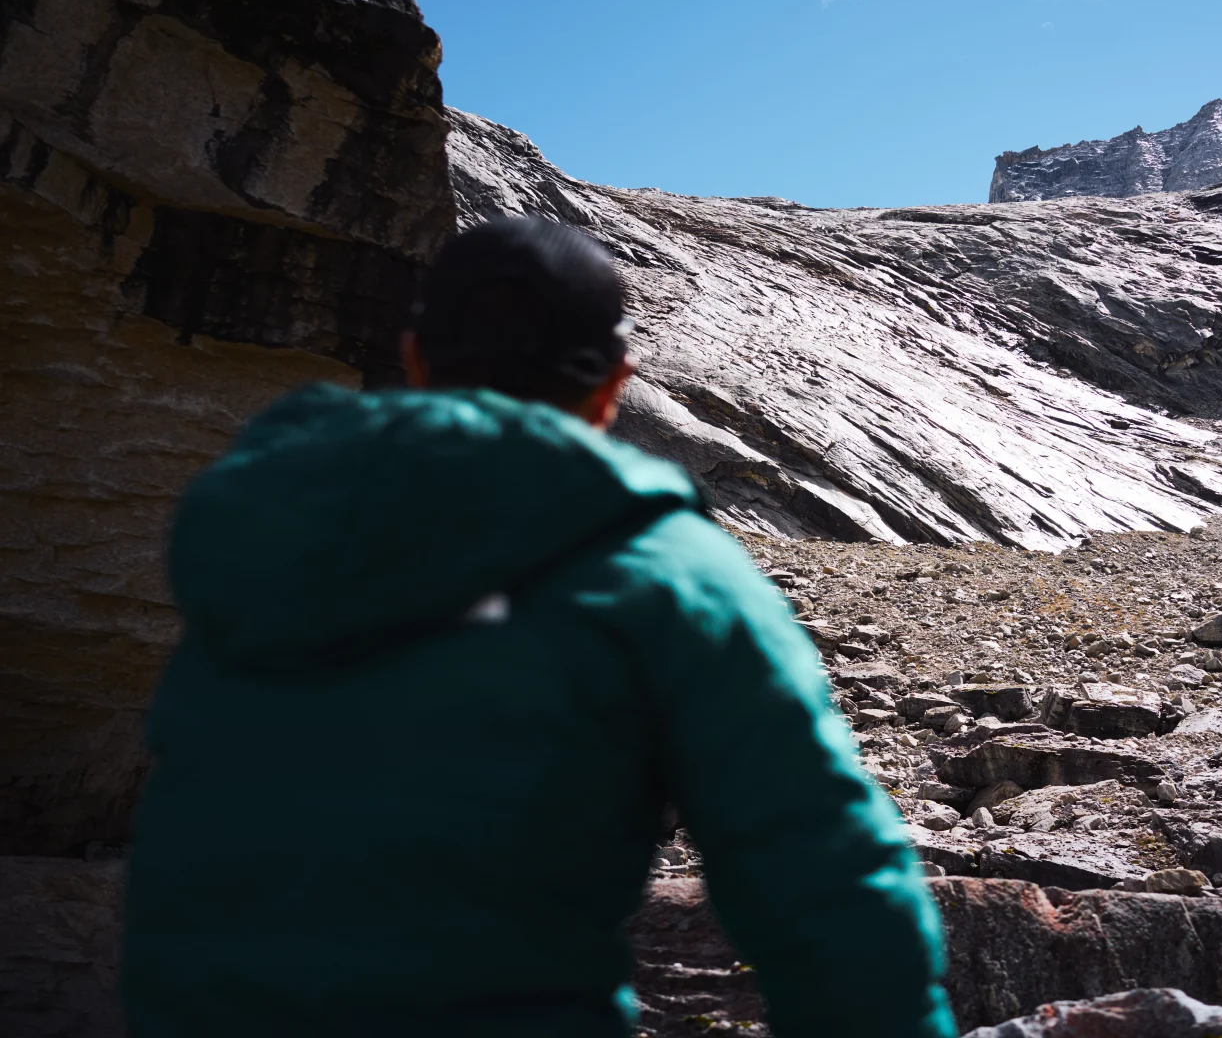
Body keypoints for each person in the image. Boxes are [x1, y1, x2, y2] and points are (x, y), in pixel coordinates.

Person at [122, 217, 956, 1037]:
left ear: (416, 356)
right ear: (615, 381)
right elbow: (820, 872)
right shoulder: (661, 567)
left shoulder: (269, 530)